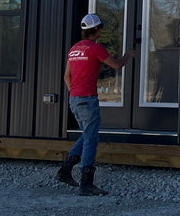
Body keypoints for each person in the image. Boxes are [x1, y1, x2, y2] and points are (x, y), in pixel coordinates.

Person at [55, 13, 134, 196]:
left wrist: (74, 91)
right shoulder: (95, 48)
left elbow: (67, 76)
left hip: (74, 98)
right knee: (91, 139)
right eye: (101, 27)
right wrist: (127, 56)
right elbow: (116, 65)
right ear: (96, 29)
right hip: (87, 99)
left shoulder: (74, 49)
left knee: (87, 134)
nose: (102, 30)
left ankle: (65, 170)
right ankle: (86, 183)